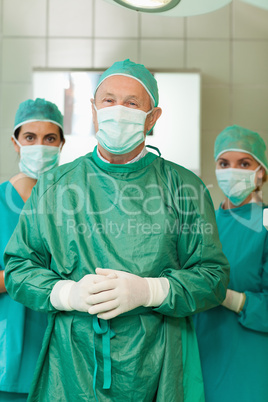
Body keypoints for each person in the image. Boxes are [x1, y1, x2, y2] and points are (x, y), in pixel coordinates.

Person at [4, 59, 229, 402]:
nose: (118, 111)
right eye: (108, 101)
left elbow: (213, 277)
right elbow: (19, 269)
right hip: (72, 363)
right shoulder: (54, 185)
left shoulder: (184, 187)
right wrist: (66, 293)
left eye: (132, 103)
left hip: (155, 362)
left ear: (152, 117)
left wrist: (151, 291)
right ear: (93, 111)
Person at [194, 125, 268, 402]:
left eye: (244, 163)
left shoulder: (266, 220)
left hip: (249, 360)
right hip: (201, 352)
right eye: (224, 163)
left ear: (260, 172)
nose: (232, 171)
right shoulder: (203, 223)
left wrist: (234, 300)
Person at [0, 98, 65, 402]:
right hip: (7, 353)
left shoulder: (72, 204)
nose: (40, 146)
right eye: (30, 137)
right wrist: (33, 278)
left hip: (62, 352)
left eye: (49, 138)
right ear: (15, 142)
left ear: (62, 143)